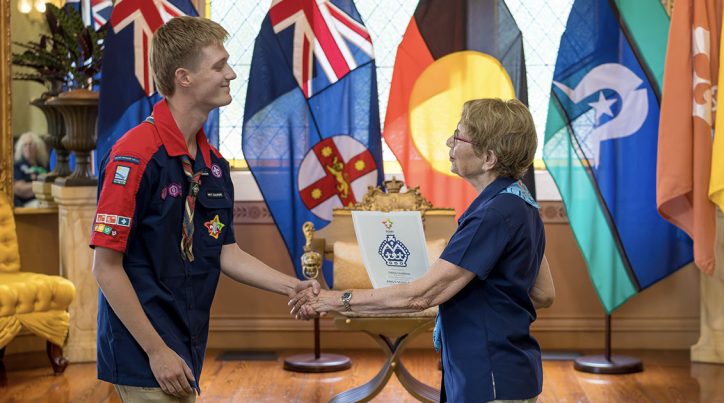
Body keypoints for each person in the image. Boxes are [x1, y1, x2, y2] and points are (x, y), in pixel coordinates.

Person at [90, 16, 319, 402]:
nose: (230, 73)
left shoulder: (212, 165)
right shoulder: (135, 155)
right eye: (218, 66)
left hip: (186, 338)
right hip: (143, 347)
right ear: (184, 77)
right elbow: (105, 268)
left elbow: (225, 251)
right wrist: (156, 351)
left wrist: (292, 286)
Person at [291, 98, 555, 403]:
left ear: (489, 158)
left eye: (458, 136)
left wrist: (329, 300)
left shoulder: (492, 215)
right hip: (510, 369)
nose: (448, 143)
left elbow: (421, 297)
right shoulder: (520, 200)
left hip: (490, 374)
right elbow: (543, 293)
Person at [13, 131, 49, 207]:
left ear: (37, 147)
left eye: (31, 144)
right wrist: (43, 186)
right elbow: (20, 190)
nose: (28, 147)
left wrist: (31, 186)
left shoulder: (43, 165)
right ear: (21, 148)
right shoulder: (17, 166)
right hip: (25, 204)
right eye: (25, 145)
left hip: (46, 200)